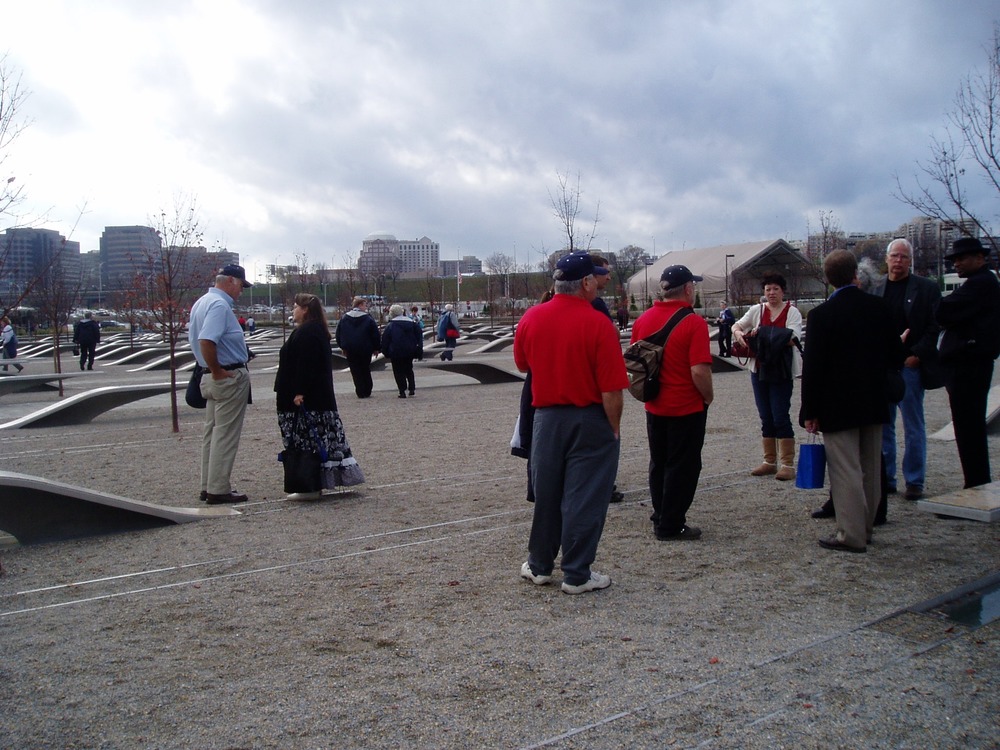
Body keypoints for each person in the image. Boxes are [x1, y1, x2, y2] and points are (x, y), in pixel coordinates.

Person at [513, 251, 628, 595]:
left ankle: (539, 564)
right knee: (585, 494)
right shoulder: (598, 323)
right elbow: (611, 389)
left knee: (548, 492)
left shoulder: (532, 317)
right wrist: (614, 427)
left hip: (545, 418)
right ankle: (577, 572)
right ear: (587, 283)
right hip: (589, 416)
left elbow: (522, 364)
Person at [800, 250, 903, 553]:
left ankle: (851, 534)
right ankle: (868, 526)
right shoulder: (879, 308)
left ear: (829, 280)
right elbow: (896, 356)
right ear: (856, 274)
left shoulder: (821, 316)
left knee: (845, 470)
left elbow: (813, 368)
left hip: (837, 404)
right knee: (871, 467)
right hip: (873, 399)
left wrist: (809, 409)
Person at [632, 265, 714, 541]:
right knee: (684, 466)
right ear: (689, 289)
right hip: (686, 406)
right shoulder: (694, 323)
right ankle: (672, 523)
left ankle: (661, 513)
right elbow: (699, 370)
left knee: (659, 462)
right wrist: (708, 396)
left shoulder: (643, 320)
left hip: (654, 404)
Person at [869, 239, 942, 500]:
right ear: (886, 259)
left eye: (903, 256)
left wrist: (917, 355)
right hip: (883, 366)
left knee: (913, 425)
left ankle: (914, 480)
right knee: (884, 425)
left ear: (910, 261)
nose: (898, 260)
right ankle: (886, 478)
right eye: (894, 256)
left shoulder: (926, 289)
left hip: (910, 365)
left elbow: (935, 327)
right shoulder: (875, 288)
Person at [274, 293, 364, 498]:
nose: (293, 310)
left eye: (296, 306)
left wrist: (299, 391)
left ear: (305, 309)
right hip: (313, 398)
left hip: (307, 400)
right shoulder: (312, 331)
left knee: (307, 441)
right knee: (316, 440)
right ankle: (313, 483)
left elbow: (307, 366)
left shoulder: (309, 333)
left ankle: (309, 485)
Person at [935, 237, 1000, 489]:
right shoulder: (982, 284)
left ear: (980, 258)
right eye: (955, 260)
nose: (957, 264)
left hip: (968, 365)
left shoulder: (980, 285)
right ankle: (976, 480)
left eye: (962, 259)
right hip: (970, 363)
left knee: (968, 428)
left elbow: (942, 311)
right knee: (968, 427)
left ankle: (976, 483)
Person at [188, 265, 254, 505]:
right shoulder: (219, 305)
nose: (241, 292)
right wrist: (217, 369)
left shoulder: (202, 302)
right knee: (225, 434)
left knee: (212, 432)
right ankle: (218, 488)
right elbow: (207, 340)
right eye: (241, 286)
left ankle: (208, 485)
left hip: (209, 375)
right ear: (230, 281)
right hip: (226, 375)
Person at [732, 274, 803, 481]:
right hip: (759, 368)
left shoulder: (792, 312)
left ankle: (787, 463)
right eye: (768, 289)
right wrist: (739, 335)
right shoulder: (757, 310)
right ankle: (769, 461)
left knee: (780, 414)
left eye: (775, 289)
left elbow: (793, 338)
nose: (771, 293)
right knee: (765, 415)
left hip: (781, 370)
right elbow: (738, 325)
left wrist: (762, 333)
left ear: (783, 291)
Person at [336, 297, 381, 398]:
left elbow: (338, 334)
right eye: (365, 305)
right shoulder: (368, 319)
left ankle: (360, 390)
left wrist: (342, 346)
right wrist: (376, 348)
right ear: (360, 305)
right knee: (365, 368)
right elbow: (375, 334)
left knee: (355, 370)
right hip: (365, 349)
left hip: (350, 349)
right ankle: (367, 389)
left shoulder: (344, 318)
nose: (366, 307)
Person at [381, 304, 423, 398]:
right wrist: (418, 349)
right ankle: (411, 388)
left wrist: (385, 351)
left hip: (396, 351)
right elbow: (419, 336)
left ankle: (402, 390)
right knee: (409, 369)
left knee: (398, 371)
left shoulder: (391, 326)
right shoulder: (412, 324)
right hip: (410, 350)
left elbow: (385, 340)